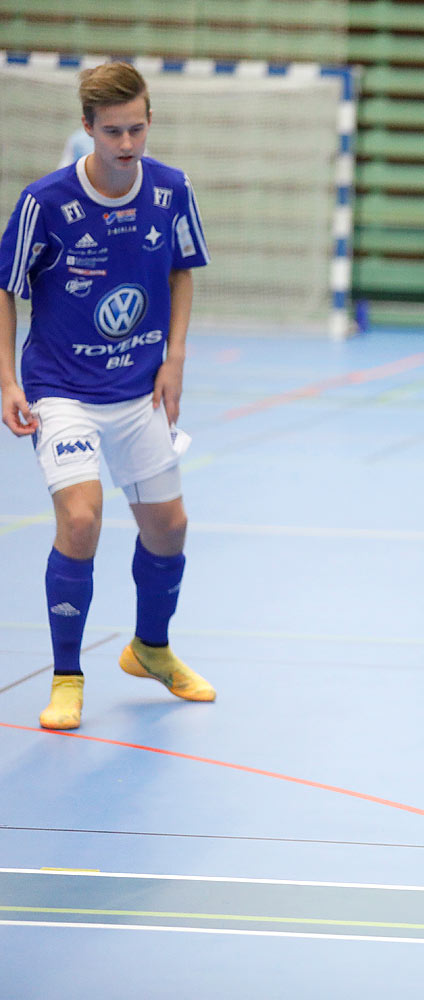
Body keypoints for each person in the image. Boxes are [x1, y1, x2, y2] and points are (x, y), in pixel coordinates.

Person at [0, 62, 215, 730]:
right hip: (62, 389)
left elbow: (181, 273)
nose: (128, 143)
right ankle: (67, 676)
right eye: (114, 131)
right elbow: (6, 285)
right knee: (83, 519)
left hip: (138, 388)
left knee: (170, 527)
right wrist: (8, 379)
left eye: (138, 128)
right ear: (87, 129)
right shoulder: (47, 201)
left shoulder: (172, 189)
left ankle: (150, 648)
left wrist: (174, 359)